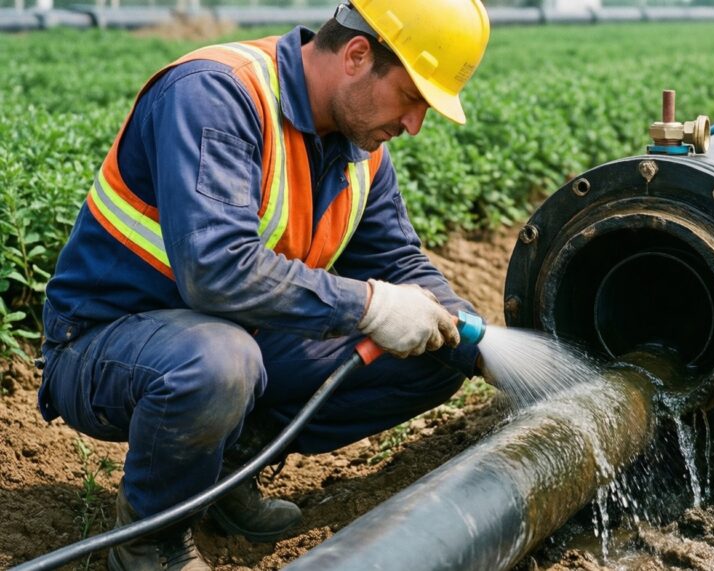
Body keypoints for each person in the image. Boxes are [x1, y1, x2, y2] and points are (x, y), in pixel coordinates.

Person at [35, 1, 491, 569]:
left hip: (241, 338)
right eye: (412, 98)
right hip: (108, 345)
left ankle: (226, 471)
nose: (414, 124)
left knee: (434, 352)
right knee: (219, 362)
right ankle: (149, 542)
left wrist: (471, 334)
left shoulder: (362, 151)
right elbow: (216, 271)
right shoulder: (217, 93)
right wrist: (370, 305)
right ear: (356, 55)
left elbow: (398, 259)